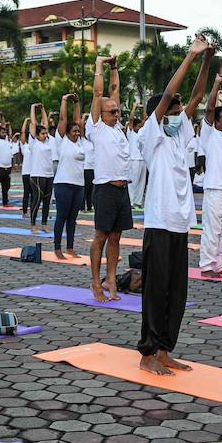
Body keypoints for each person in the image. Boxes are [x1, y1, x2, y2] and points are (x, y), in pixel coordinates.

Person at [138, 38, 215, 375]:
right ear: (160, 114)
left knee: (176, 293)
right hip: (159, 222)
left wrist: (208, 61)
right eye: (173, 108)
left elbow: (196, 96)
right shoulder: (150, 135)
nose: (179, 111)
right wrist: (191, 55)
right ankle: (148, 353)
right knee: (155, 292)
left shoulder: (180, 133)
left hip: (180, 223)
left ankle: (166, 348)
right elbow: (170, 94)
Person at [87, 55, 132, 301]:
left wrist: (115, 66)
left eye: (117, 111)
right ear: (101, 114)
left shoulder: (116, 127)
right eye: (112, 111)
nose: (117, 113)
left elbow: (115, 89)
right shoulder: (96, 126)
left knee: (116, 237)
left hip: (122, 190)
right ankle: (95, 283)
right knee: (101, 237)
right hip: (104, 188)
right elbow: (99, 93)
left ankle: (111, 279)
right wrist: (100, 65)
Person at [197, 69, 222, 279]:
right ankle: (206, 266)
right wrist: (216, 84)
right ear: (216, 121)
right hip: (214, 190)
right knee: (212, 230)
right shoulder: (209, 134)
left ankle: (221, 264)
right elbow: (211, 107)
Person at [53, 94, 89, 258]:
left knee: (72, 218)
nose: (76, 133)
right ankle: (57, 248)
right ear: (66, 132)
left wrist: (77, 103)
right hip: (63, 184)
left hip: (78, 185)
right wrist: (65, 100)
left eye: (78, 131)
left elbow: (78, 120)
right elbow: (63, 118)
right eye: (73, 131)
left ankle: (70, 247)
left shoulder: (81, 141)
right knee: (62, 216)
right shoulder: (62, 141)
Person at [22, 104, 55, 228]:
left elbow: (45, 124)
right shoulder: (33, 142)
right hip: (37, 175)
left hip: (49, 174)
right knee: (37, 200)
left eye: (46, 133)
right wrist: (33, 108)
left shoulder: (48, 141)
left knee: (47, 201)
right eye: (42, 134)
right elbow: (34, 124)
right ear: (36, 135)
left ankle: (44, 224)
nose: (45, 135)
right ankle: (33, 224)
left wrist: (42, 109)